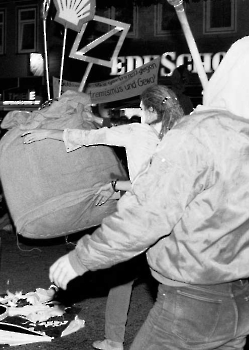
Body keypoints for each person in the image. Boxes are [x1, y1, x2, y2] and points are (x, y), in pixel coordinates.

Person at [48, 36, 249, 349]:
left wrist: (82, 258)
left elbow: (147, 215)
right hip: (241, 300)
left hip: (190, 306)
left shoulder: (196, 135)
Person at [23, 84, 185, 350]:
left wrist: (44, 133)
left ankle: (111, 334)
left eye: (142, 109)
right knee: (150, 280)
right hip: (175, 222)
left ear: (151, 110)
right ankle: (115, 337)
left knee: (116, 271)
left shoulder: (137, 133)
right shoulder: (181, 136)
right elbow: (165, 186)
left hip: (143, 222)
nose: (140, 114)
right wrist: (117, 188)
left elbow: (91, 137)